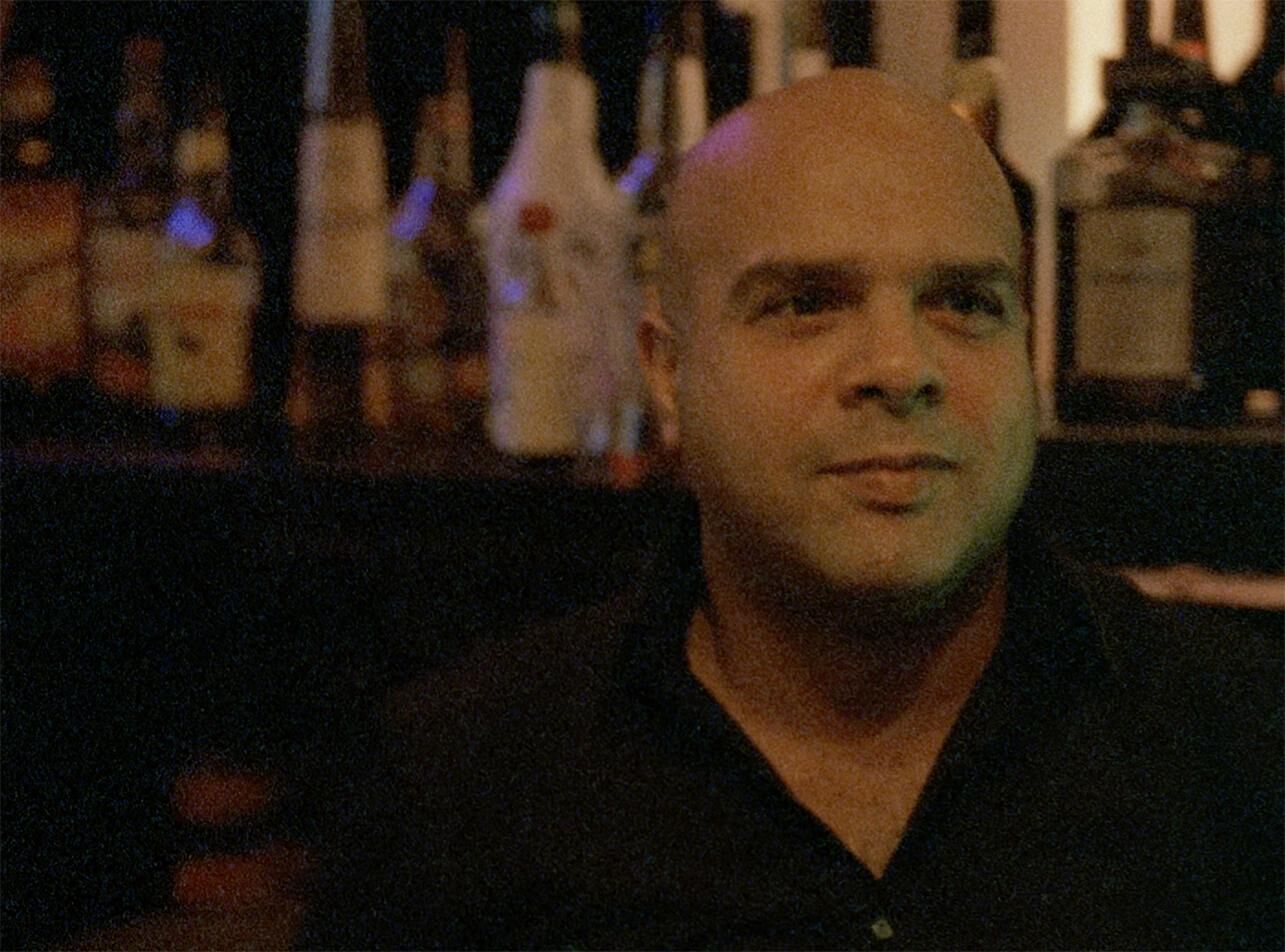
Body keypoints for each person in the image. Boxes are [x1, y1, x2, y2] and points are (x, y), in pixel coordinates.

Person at [298, 70, 1282, 950]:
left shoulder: (1241, 747)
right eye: (806, 303)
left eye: (963, 302)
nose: (899, 366)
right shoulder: (462, 788)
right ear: (668, 372)